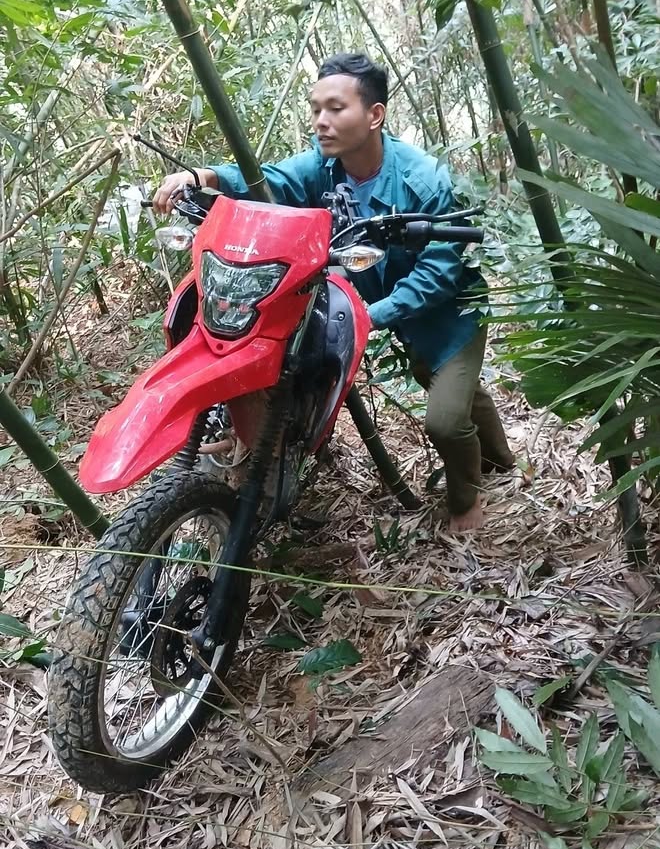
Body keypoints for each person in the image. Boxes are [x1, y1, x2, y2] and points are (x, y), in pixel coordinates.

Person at [153, 51, 513, 532]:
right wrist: (204, 177)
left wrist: (370, 314)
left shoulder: (424, 180)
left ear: (375, 115)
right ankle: (501, 460)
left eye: (336, 108)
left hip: (451, 316)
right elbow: (271, 181)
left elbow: (440, 273)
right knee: (447, 384)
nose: (321, 121)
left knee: (445, 420)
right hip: (395, 311)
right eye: (316, 108)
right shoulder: (325, 164)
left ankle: (467, 500)